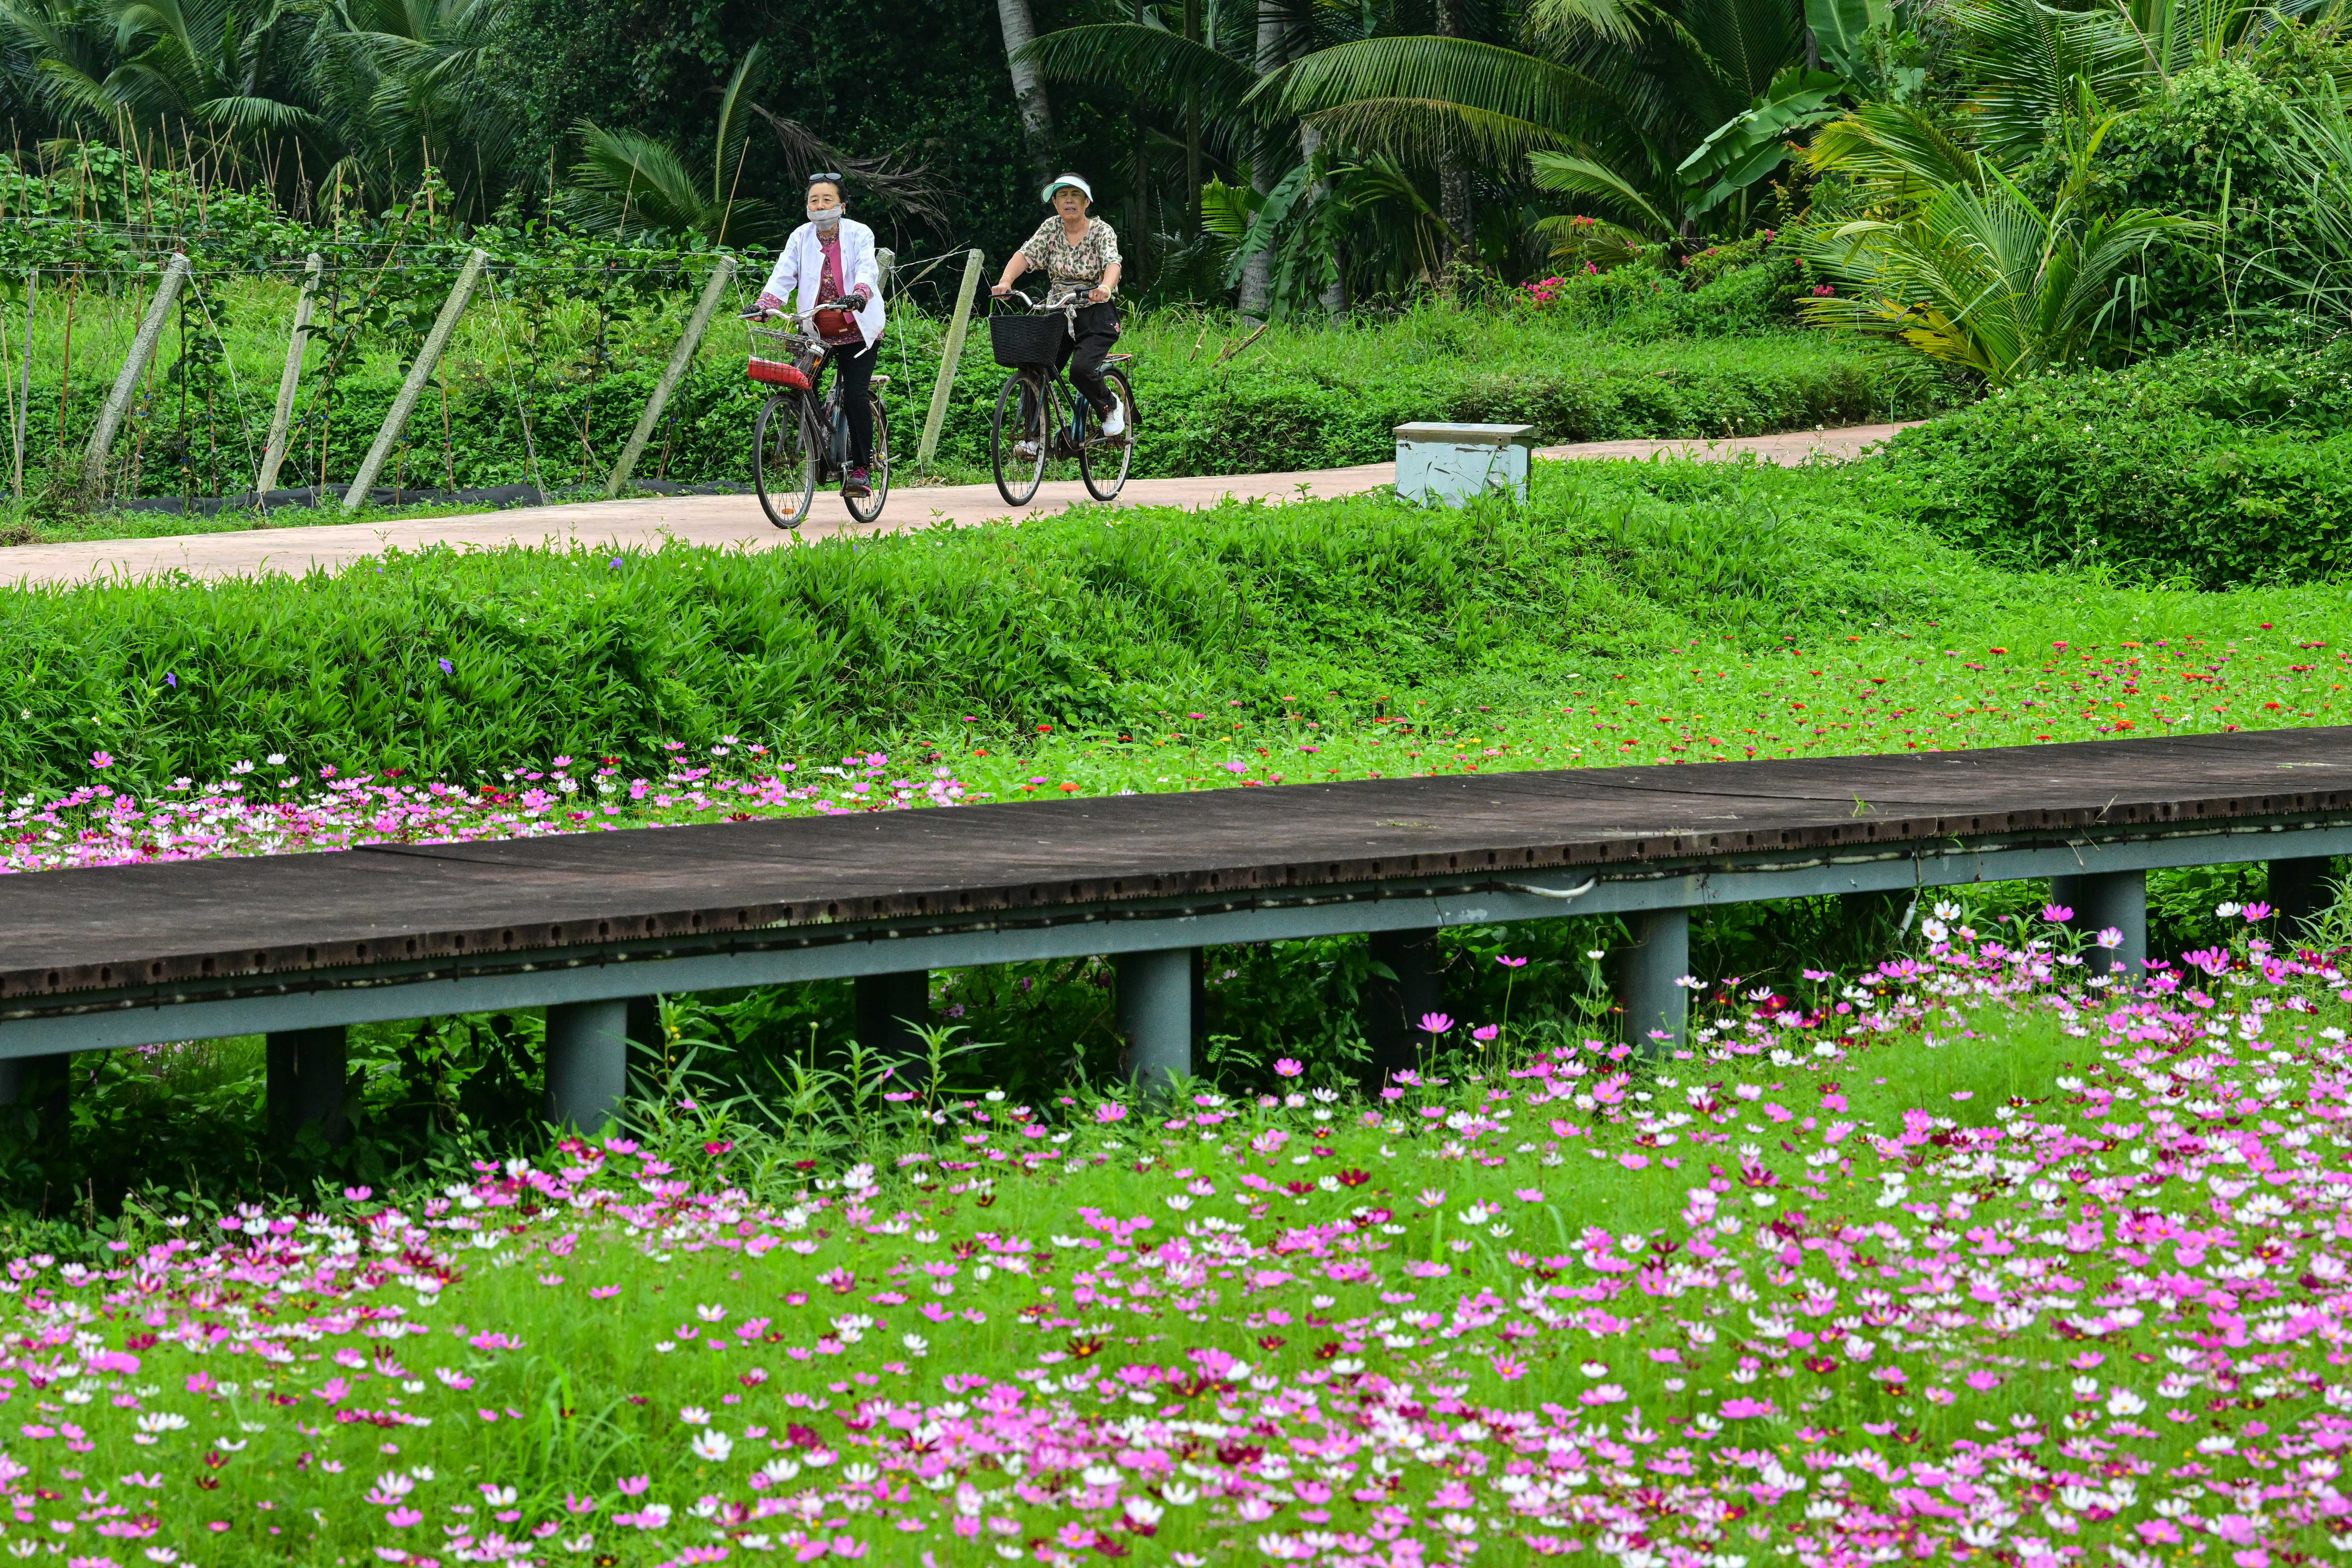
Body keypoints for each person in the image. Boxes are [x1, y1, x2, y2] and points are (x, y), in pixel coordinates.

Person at [754, 173, 886, 498]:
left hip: (857, 331)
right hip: (818, 332)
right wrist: (765, 304)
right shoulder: (800, 237)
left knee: (855, 395)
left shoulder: (859, 234)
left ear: (842, 205)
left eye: (827, 200)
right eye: (814, 200)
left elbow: (868, 268)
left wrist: (859, 293)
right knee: (800, 385)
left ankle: (861, 468)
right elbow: (783, 274)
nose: (820, 206)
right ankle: (821, 446)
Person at [994, 173, 1126, 443]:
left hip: (1095, 312)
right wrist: (1006, 281)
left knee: (1081, 370)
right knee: (1034, 370)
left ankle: (1110, 405)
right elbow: (1026, 254)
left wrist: (1105, 288)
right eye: (1063, 196)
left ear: (1086, 202)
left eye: (1075, 195)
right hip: (1058, 311)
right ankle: (1032, 440)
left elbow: (1113, 263)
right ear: (1055, 203)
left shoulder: (1102, 231)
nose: (1069, 201)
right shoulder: (1051, 229)